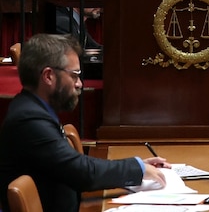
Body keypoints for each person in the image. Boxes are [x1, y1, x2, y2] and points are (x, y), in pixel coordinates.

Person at [0, 33, 168, 211]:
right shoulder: (29, 120)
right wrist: (137, 169)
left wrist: (138, 165)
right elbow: (81, 172)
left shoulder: (31, 109)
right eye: (74, 75)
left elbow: (75, 165)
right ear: (48, 76)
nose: (79, 83)